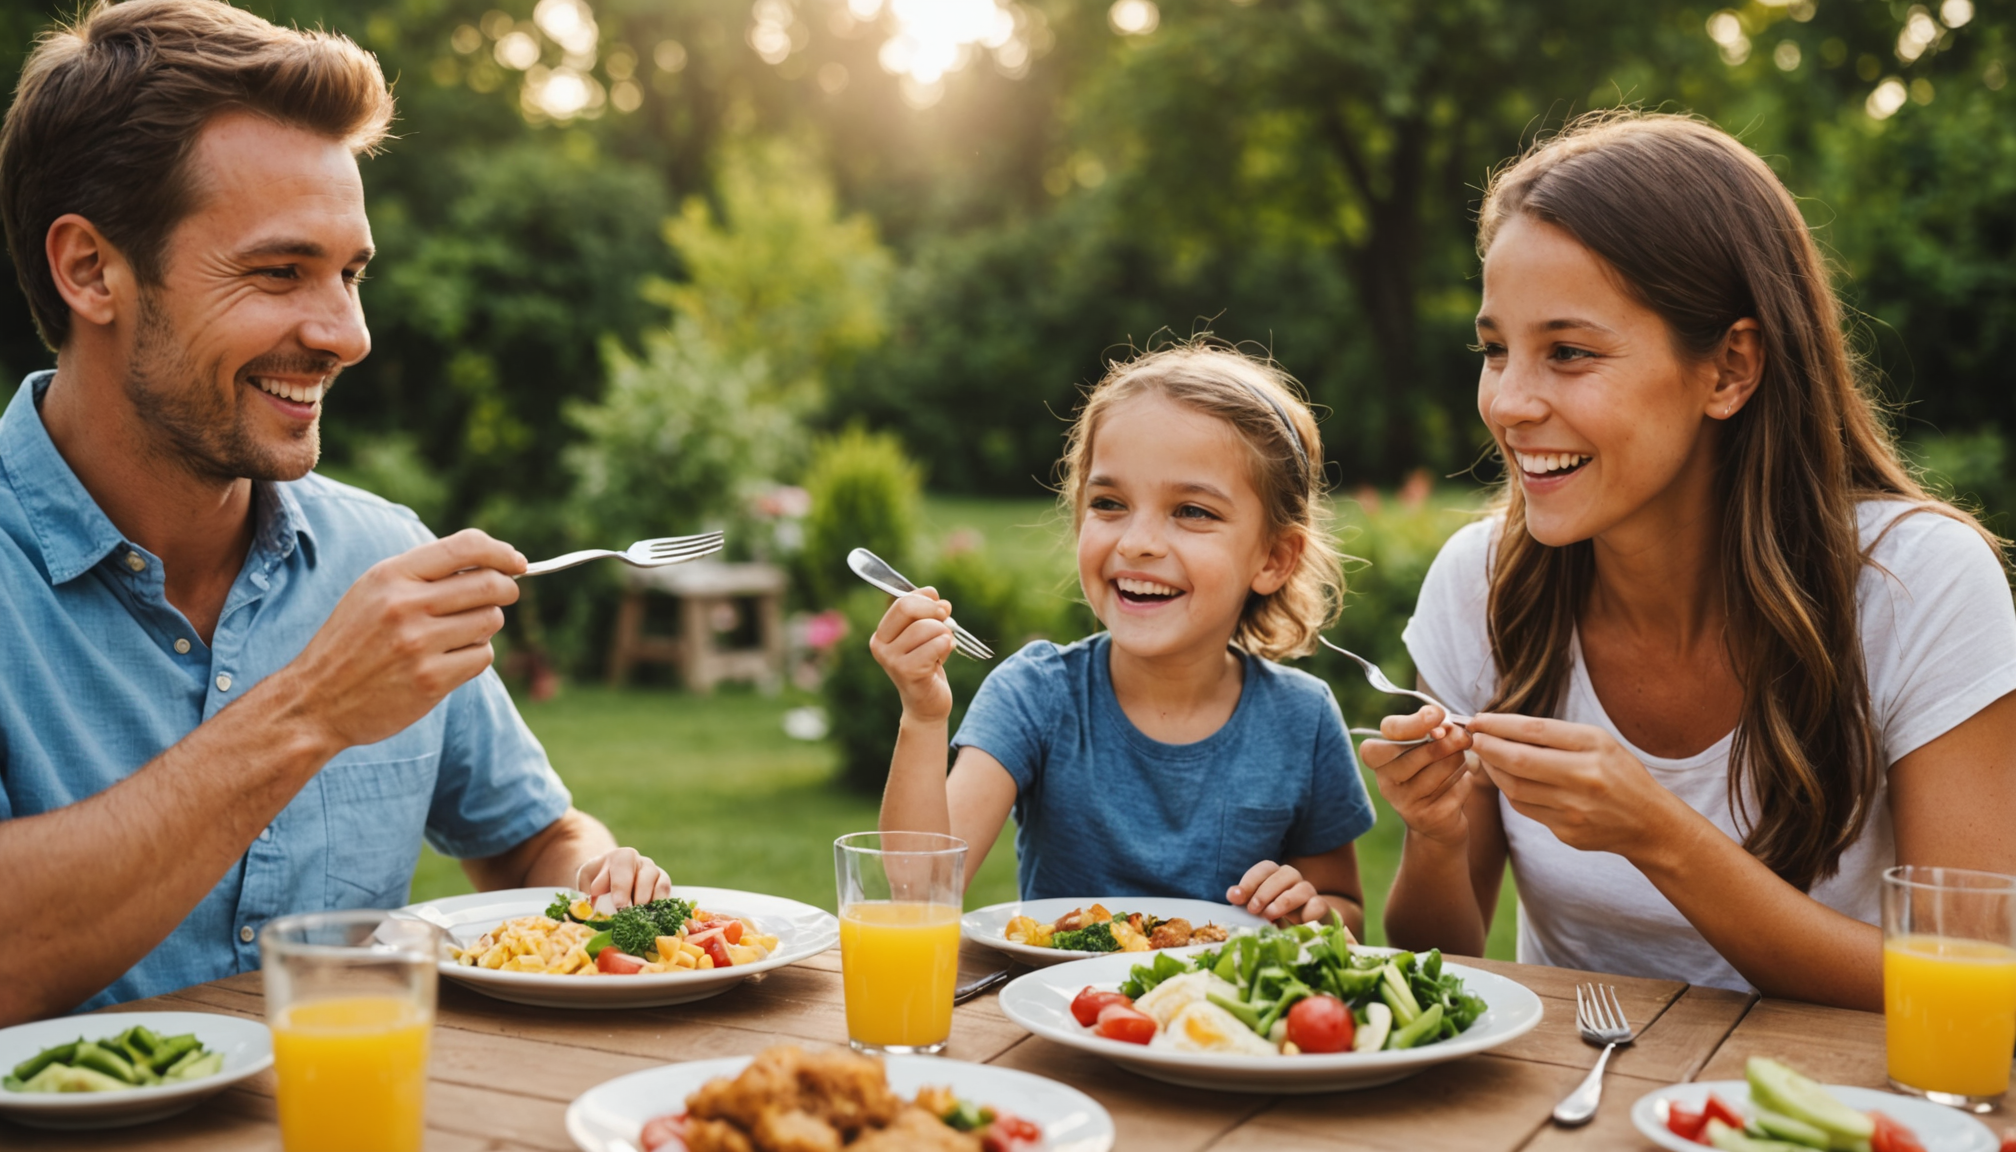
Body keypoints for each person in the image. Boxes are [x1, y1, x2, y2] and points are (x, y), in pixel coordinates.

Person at [0, 0, 674, 1026]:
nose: (347, 334)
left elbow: (533, 841)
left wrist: (594, 880)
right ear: (92, 270)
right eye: (280, 272)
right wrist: (312, 708)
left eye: (350, 273)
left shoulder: (380, 553)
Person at [1363, 112, 2016, 1009]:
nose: (1508, 402)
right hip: (1579, 1088)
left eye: (1568, 352)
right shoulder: (1481, 582)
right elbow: (1438, 968)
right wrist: (1437, 838)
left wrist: (1657, 834)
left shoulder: (1919, 582)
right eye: (1495, 350)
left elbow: (1973, 985)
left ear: (1730, 369)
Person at [872, 343, 1375, 931]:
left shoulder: (1302, 720)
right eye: (1109, 503)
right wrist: (923, 717)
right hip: (1058, 993)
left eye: (1192, 511)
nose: (1137, 543)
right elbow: (920, 888)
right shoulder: (1036, 696)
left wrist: (1307, 911)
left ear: (1273, 558)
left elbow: (1345, 910)